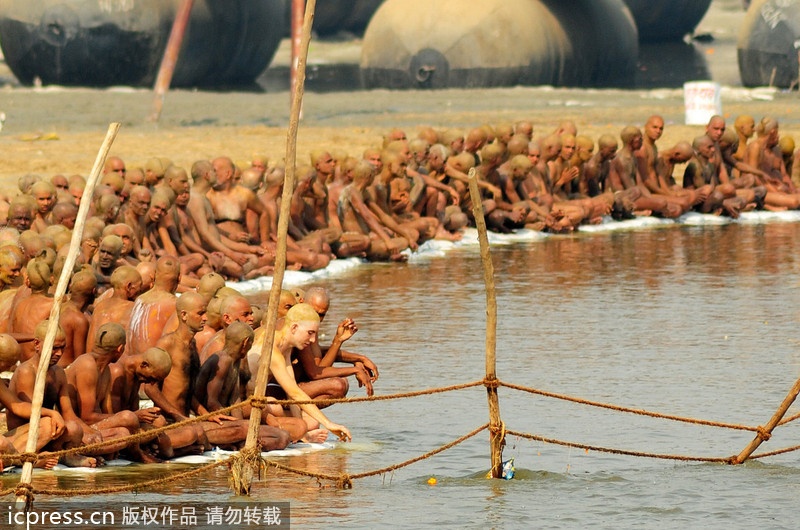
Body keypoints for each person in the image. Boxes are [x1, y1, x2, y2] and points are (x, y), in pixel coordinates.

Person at [144, 292, 290, 451]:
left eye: (205, 312)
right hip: (173, 422)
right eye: (200, 313)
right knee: (268, 435)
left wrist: (207, 414)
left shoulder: (192, 345)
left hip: (191, 420)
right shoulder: (167, 343)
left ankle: (223, 444)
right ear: (184, 315)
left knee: (281, 436)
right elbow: (149, 388)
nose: (205, 318)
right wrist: (176, 415)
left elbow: (189, 393)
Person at [7, 320, 98, 467]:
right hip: (24, 437)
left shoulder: (59, 373)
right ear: (37, 344)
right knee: (49, 424)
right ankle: (31, 459)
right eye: (54, 348)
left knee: (74, 429)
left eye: (62, 348)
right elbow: (29, 415)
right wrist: (52, 414)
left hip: (46, 434)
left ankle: (62, 456)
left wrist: (91, 433)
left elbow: (68, 414)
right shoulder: (26, 371)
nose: (59, 353)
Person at [66, 322, 159, 462]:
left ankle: (116, 450)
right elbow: (87, 417)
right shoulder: (87, 365)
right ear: (120, 349)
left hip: (96, 429)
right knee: (128, 418)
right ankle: (135, 452)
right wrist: (134, 416)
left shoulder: (106, 370)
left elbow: (108, 412)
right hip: (79, 429)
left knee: (129, 431)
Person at [261, 303, 352, 443]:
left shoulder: (285, 347)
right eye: (310, 333)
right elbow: (295, 393)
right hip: (248, 404)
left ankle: (299, 433)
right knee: (277, 408)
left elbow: (292, 392)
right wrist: (329, 424)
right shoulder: (272, 347)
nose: (313, 340)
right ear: (294, 327)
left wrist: (302, 429)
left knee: (311, 423)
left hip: (262, 404)